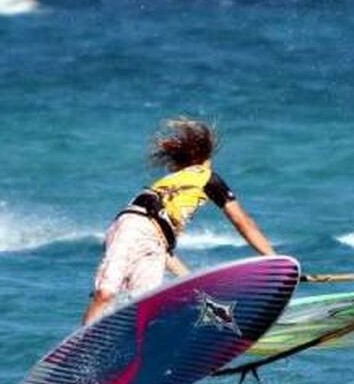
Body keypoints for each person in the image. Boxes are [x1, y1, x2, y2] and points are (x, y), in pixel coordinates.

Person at [82, 118, 276, 325]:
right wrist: (274, 260)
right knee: (106, 293)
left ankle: (132, 353)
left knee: (141, 310)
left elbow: (164, 252)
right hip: (134, 226)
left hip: (156, 242)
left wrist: (193, 283)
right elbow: (242, 221)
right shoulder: (205, 177)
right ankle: (80, 350)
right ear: (204, 158)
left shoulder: (175, 194)